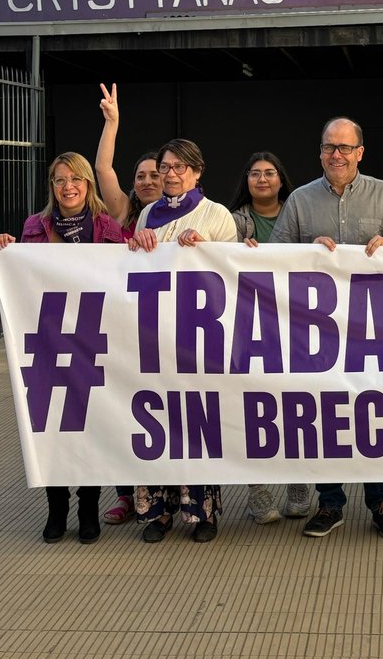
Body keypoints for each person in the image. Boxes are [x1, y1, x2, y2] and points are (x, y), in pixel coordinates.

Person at [270, 116, 383, 541]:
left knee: (374, 413)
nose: (337, 155)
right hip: (318, 335)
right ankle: (330, 503)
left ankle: (382, 502)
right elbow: (273, 258)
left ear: (360, 153)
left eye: (345, 148)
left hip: (372, 333)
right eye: (330, 147)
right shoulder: (299, 199)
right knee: (324, 415)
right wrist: (305, 251)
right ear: (320, 152)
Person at [0, 152, 124, 544]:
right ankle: (56, 509)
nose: (68, 187)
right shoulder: (35, 226)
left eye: (76, 179)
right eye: (60, 179)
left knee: (90, 424)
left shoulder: (106, 226)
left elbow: (120, 276)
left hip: (91, 339)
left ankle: (87, 509)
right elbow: (26, 276)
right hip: (48, 340)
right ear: (52, 185)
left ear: (88, 183)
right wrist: (7, 246)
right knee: (53, 426)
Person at [128, 139, 238, 543]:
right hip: (154, 335)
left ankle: (203, 512)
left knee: (196, 421)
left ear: (197, 171)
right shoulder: (145, 215)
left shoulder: (216, 214)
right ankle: (158, 512)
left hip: (199, 338)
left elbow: (234, 272)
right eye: (165, 167)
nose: (171, 174)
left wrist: (205, 250)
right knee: (155, 418)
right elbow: (135, 271)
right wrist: (137, 246)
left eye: (180, 167)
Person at [93, 82, 163, 526]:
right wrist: (112, 124)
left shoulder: (185, 216)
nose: (148, 181)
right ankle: (126, 495)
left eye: (156, 174)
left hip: (164, 329)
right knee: (121, 411)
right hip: (122, 326)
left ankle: (167, 494)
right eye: (141, 176)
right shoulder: (122, 212)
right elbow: (102, 168)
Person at [227, 151, 310, 525]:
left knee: (297, 408)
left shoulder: (301, 212)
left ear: (281, 179)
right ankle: (257, 491)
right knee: (250, 409)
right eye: (255, 173)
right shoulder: (233, 221)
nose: (262, 180)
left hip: (294, 328)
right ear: (246, 180)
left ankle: (298, 485)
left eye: (270, 173)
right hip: (248, 327)